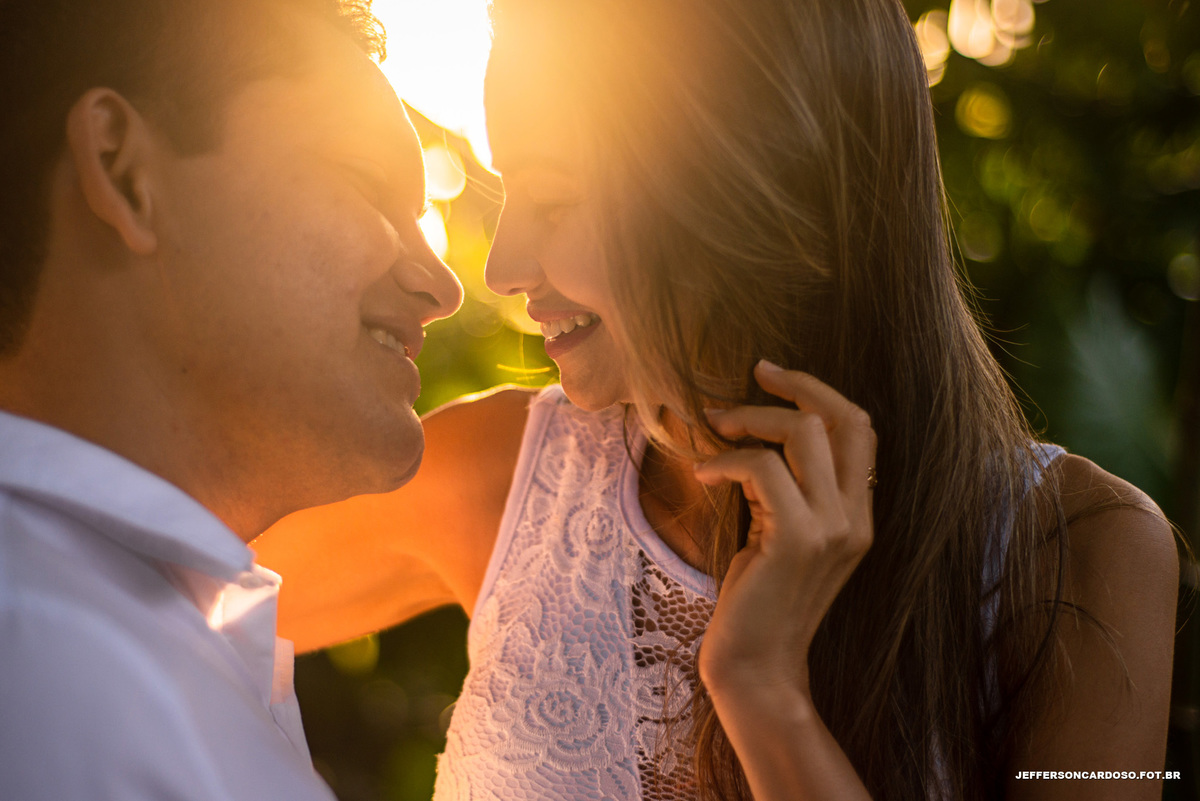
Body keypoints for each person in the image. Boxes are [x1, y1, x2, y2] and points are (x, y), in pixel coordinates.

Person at [254, 0, 1180, 798]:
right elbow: (133, 589)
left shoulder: (1086, 558)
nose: (502, 267)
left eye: (558, 200)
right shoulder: (499, 484)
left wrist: (763, 690)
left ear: (764, 201)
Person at [0, 1, 462, 798]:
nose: (442, 285)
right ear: (123, 170)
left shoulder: (139, 635)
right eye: (366, 184)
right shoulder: (49, 666)